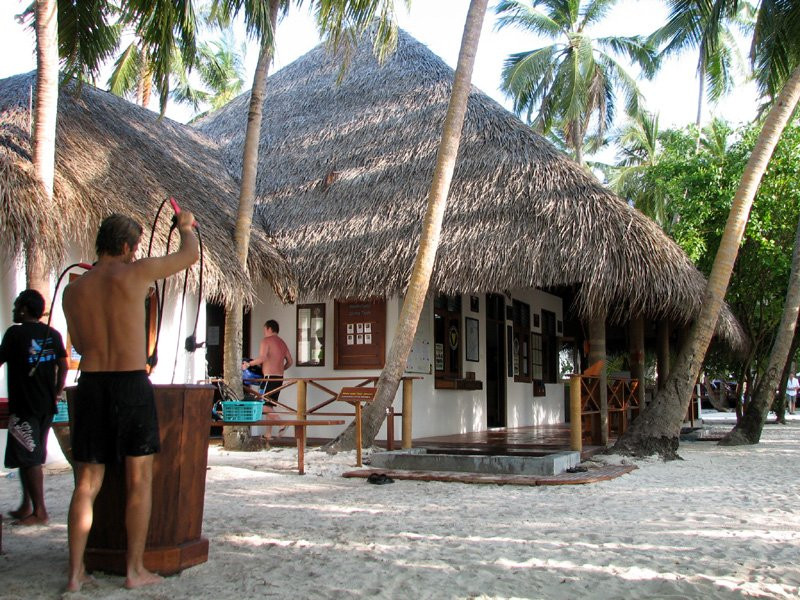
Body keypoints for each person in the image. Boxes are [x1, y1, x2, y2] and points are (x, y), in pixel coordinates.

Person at [62, 211, 199, 592]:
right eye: (135, 247)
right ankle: (133, 570)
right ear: (126, 247)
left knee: (86, 484)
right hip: (129, 383)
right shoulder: (136, 273)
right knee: (139, 479)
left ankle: (75, 574)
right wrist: (185, 226)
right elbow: (188, 256)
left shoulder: (74, 290)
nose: (136, 252)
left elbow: (77, 341)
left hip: (90, 383)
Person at [0, 289, 67, 526]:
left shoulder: (14, 334)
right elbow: (63, 364)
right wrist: (58, 391)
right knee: (28, 455)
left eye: (17, 304)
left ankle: (40, 512)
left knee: (30, 458)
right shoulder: (53, 334)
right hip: (46, 406)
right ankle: (26, 505)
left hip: (25, 406)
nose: (14, 308)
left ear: (25, 308)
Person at [242, 320, 293, 440]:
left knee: (262, 404)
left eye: (264, 329)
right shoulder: (282, 343)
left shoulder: (266, 341)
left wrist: (248, 364)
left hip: (269, 378)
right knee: (269, 405)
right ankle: (268, 434)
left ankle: (282, 423)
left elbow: (262, 358)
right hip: (279, 378)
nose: (264, 332)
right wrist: (281, 369)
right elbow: (290, 362)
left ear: (269, 329)